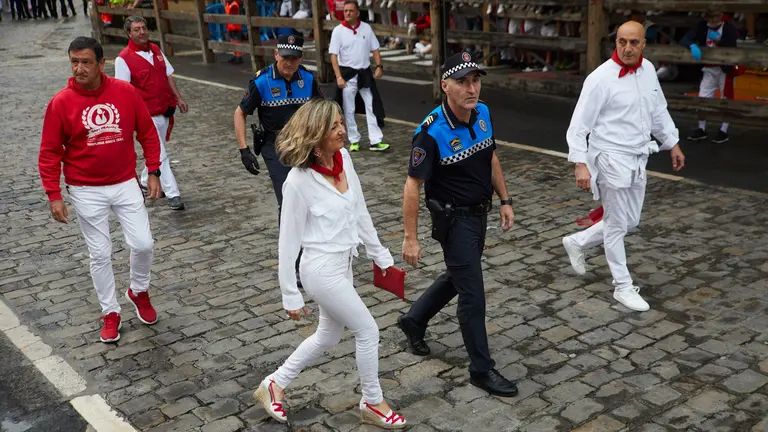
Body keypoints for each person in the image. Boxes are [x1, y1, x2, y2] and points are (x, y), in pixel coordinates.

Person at [252, 99, 406, 430]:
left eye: (340, 123)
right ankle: (373, 402)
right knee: (367, 330)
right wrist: (289, 293)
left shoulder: (344, 159)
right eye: (334, 126)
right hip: (320, 269)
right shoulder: (297, 181)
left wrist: (378, 253)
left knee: (327, 336)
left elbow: (360, 210)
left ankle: (274, 384)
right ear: (316, 133)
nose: (342, 130)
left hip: (343, 264)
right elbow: (288, 241)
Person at [398, 52, 518, 397]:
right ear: (445, 86)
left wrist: (505, 200)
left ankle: (413, 320)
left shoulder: (483, 114)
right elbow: (411, 185)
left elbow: (491, 156)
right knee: (473, 294)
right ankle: (481, 369)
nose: (471, 88)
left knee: (457, 275)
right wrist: (410, 238)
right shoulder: (430, 132)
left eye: (476, 80)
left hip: (480, 214)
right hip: (454, 220)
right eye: (463, 82)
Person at [38, 37, 162, 343]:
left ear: (101, 63)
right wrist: (54, 194)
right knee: (100, 253)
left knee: (143, 243)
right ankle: (110, 311)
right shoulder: (60, 103)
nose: (79, 68)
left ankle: (138, 290)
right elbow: (50, 152)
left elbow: (147, 132)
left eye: (86, 62)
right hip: (84, 188)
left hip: (124, 182)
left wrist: (154, 170)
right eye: (74, 62)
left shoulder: (125, 92)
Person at [561, 21, 686, 312]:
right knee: (617, 225)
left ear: (643, 44)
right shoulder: (600, 78)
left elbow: (658, 111)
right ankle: (622, 286)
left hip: (638, 156)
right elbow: (579, 125)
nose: (627, 48)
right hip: (609, 157)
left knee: (630, 221)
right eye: (622, 42)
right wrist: (581, 164)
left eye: (634, 42)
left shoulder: (649, 71)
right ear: (615, 42)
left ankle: (578, 242)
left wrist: (672, 143)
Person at [234, 33, 323, 219]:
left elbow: (322, 112)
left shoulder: (308, 79)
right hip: (275, 145)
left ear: (301, 58)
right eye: (284, 57)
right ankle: (290, 248)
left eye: (294, 58)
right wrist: (244, 150)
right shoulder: (262, 81)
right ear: (276, 54)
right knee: (288, 200)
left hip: (304, 144)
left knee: (311, 198)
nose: (289, 63)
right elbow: (239, 113)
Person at [115, 16, 188, 211]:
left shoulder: (156, 50)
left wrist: (178, 98)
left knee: (157, 150)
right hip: (145, 115)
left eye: (143, 28)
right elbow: (123, 91)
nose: (141, 32)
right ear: (129, 34)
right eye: (136, 29)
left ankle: (146, 180)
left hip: (164, 110)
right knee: (161, 154)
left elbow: (168, 75)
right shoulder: (123, 59)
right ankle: (173, 194)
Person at [329, 0, 389, 152]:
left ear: (357, 13)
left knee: (371, 106)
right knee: (349, 109)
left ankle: (376, 140)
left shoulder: (366, 28)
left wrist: (379, 66)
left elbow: (375, 48)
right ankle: (354, 139)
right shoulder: (338, 31)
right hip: (348, 75)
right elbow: (333, 56)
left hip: (365, 73)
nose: (347, 13)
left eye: (351, 10)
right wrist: (338, 77)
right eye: (346, 10)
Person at [682, 11, 738, 144]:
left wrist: (719, 41)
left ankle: (723, 130)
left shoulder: (728, 27)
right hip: (709, 68)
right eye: (710, 16)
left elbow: (731, 46)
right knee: (703, 98)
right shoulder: (702, 26)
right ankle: (701, 128)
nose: (712, 19)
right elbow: (685, 39)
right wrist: (692, 45)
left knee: (726, 100)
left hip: (724, 69)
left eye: (715, 16)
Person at [224, 0, 243, 64]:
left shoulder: (234, 5)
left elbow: (232, 15)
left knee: (236, 41)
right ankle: (235, 55)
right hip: (230, 26)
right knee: (233, 41)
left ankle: (239, 57)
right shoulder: (228, 4)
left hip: (235, 27)